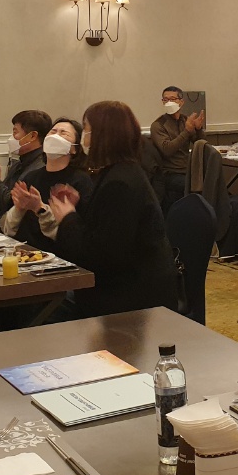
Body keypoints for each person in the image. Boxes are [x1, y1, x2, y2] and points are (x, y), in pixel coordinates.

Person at [50, 101, 177, 318]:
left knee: (48, 308)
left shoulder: (119, 183)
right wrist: (79, 206)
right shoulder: (121, 171)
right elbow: (105, 228)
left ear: (101, 136)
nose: (84, 137)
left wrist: (68, 218)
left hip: (132, 298)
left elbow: (102, 256)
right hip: (130, 284)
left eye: (86, 129)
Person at [1, 118, 94, 250]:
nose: (55, 136)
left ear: (74, 149)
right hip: (24, 251)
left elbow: (72, 236)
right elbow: (8, 229)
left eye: (63, 133)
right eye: (53, 131)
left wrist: (40, 209)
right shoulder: (31, 176)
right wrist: (18, 209)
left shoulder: (81, 181)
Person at [0, 109, 51, 230]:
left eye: (15, 132)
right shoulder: (18, 163)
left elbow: (12, 206)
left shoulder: (40, 167)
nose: (11, 138)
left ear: (32, 136)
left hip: (19, 231)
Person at [149, 86, 205, 214]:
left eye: (173, 99)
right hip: (169, 173)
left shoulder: (185, 120)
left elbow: (199, 143)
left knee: (211, 183)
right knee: (193, 188)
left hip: (187, 170)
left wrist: (198, 129)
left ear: (181, 101)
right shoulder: (158, 125)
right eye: (166, 99)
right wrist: (186, 132)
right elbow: (167, 150)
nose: (169, 102)